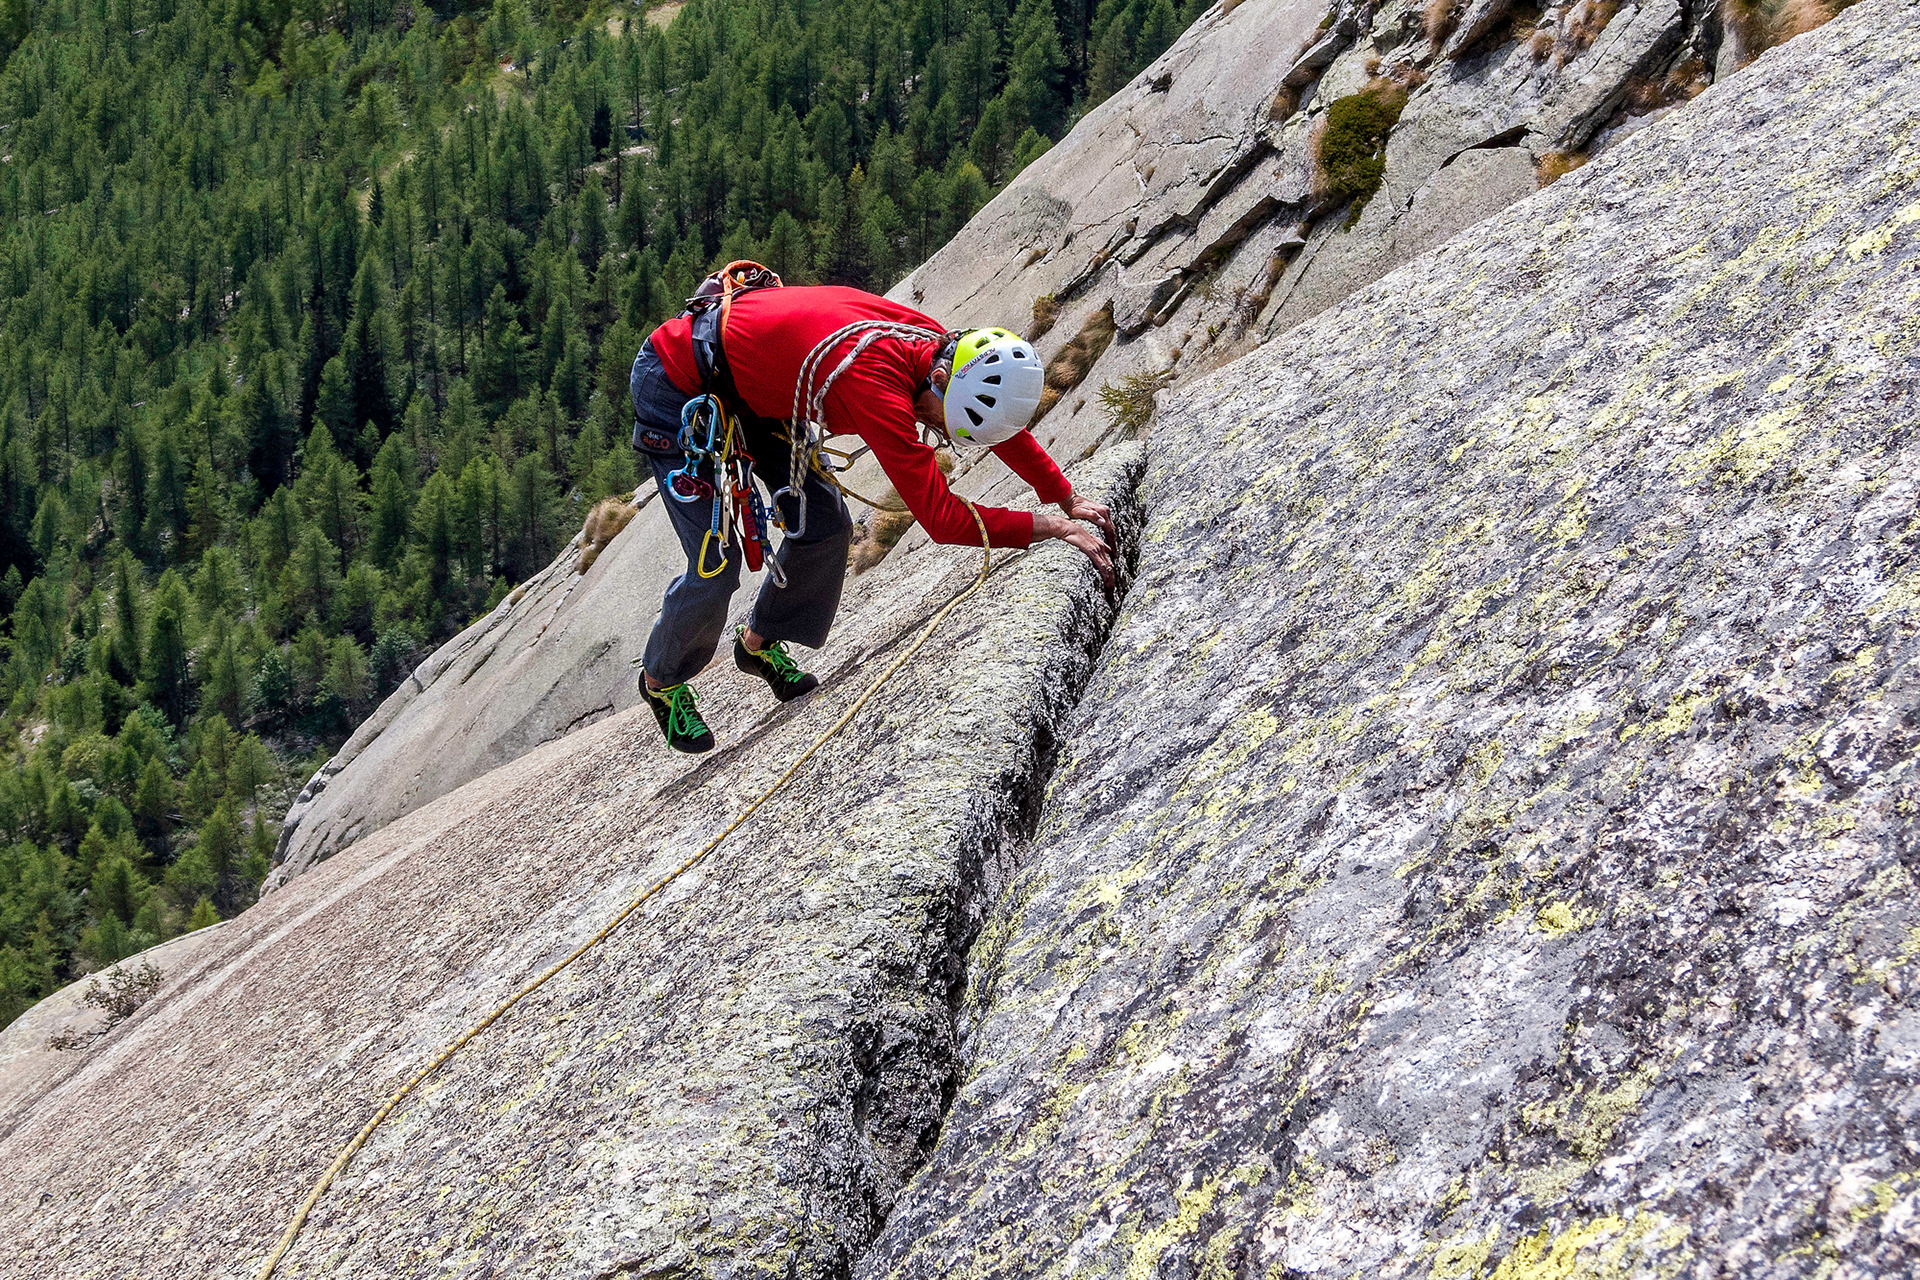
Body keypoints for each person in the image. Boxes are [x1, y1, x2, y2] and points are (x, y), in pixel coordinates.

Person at [629, 279, 1116, 754]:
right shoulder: (877, 383)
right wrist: (1048, 527)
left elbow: (997, 417)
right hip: (677, 380)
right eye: (940, 419)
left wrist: (1063, 495)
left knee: (825, 524)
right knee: (716, 561)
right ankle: (661, 679)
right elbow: (941, 520)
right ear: (943, 383)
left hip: (753, 380)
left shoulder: (950, 353)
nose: (934, 428)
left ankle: (757, 642)